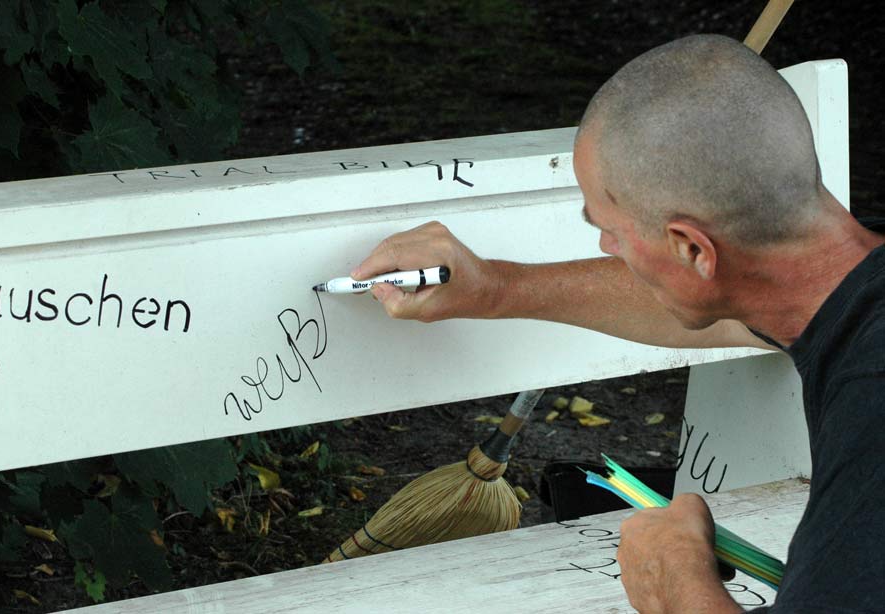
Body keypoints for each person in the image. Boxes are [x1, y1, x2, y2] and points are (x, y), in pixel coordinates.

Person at [349, 34, 885, 613]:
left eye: (610, 230)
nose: (606, 247)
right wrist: (496, 287)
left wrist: (674, 580)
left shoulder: (871, 415)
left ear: (692, 249)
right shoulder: (845, 284)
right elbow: (730, 300)